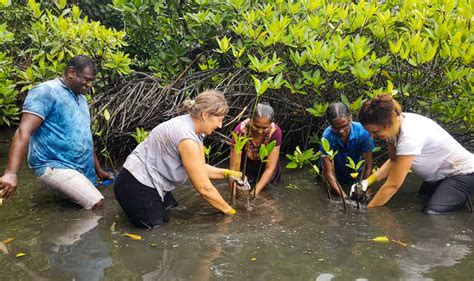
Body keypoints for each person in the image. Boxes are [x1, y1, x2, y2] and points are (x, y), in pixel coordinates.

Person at [113, 90, 247, 228]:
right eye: (219, 120)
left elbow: (199, 168)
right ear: (205, 115)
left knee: (171, 210)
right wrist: (230, 212)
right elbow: (204, 189)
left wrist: (227, 174)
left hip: (148, 181)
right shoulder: (187, 139)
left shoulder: (196, 131)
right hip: (136, 184)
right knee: (156, 232)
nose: (220, 125)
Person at [0, 55, 111, 210]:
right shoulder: (46, 92)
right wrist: (11, 173)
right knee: (96, 204)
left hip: (77, 166)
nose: (90, 84)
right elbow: (23, 131)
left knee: (76, 206)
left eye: (92, 80)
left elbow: (85, 137)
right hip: (53, 164)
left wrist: (98, 170)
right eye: (86, 79)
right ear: (72, 72)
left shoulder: (81, 99)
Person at [358, 94, 474, 213]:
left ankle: (463, 200)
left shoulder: (410, 136)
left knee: (431, 212)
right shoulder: (393, 126)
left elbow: (392, 186)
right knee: (421, 198)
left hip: (463, 174)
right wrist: (368, 181)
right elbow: (393, 161)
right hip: (438, 177)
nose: (372, 136)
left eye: (375, 131)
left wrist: (367, 214)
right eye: (370, 132)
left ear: (389, 122)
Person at [320, 102, 374, 199]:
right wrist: (345, 199)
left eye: (344, 126)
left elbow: (368, 167)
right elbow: (328, 173)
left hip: (355, 175)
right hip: (336, 176)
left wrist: (366, 190)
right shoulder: (327, 137)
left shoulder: (363, 133)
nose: (341, 131)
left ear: (350, 119)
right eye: (336, 128)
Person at [229, 103, 282, 196]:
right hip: (246, 169)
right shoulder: (240, 132)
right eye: (256, 126)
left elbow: (270, 168)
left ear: (271, 123)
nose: (260, 131)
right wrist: (233, 196)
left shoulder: (275, 132)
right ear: (250, 120)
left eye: (265, 128)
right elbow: (234, 170)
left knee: (269, 197)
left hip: (267, 172)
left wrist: (254, 194)